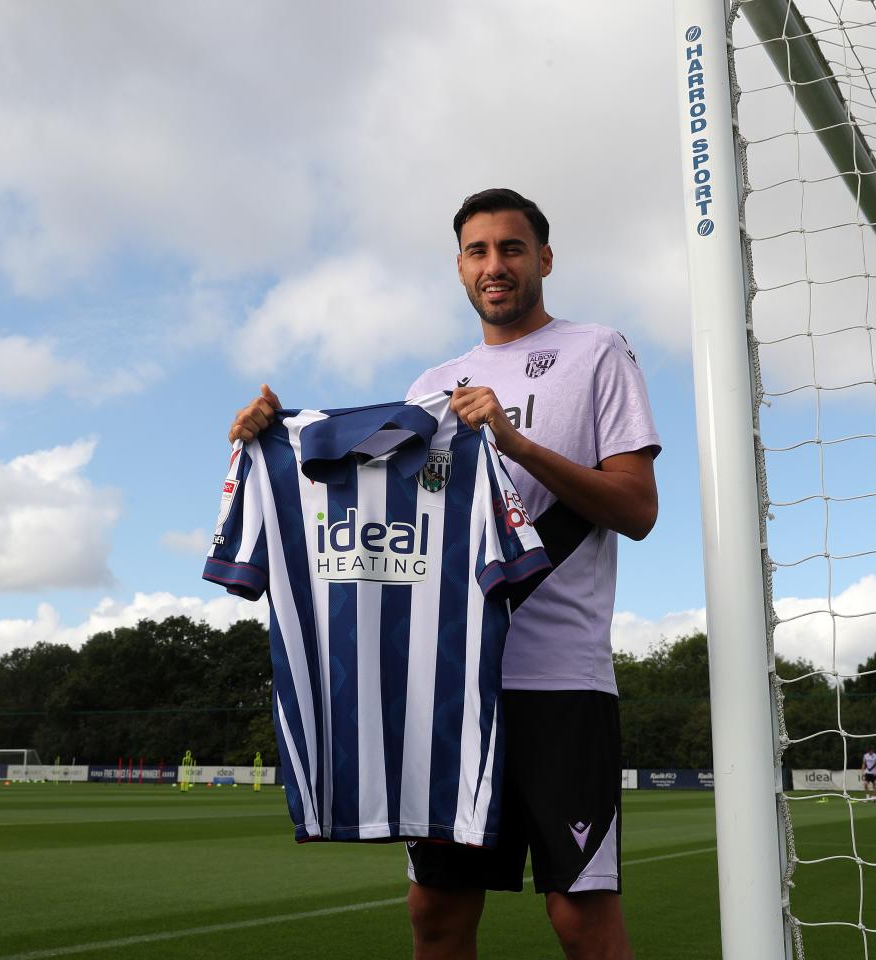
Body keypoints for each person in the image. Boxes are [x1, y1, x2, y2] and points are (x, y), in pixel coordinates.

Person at [229, 188, 659, 960]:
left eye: (512, 248)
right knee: (437, 910)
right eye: (478, 251)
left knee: (580, 915)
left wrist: (513, 442)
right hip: (450, 686)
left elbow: (636, 507)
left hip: (559, 682)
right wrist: (277, 434)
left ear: (544, 260)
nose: (495, 265)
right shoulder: (435, 383)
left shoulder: (598, 349)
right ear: (460, 267)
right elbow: (357, 479)